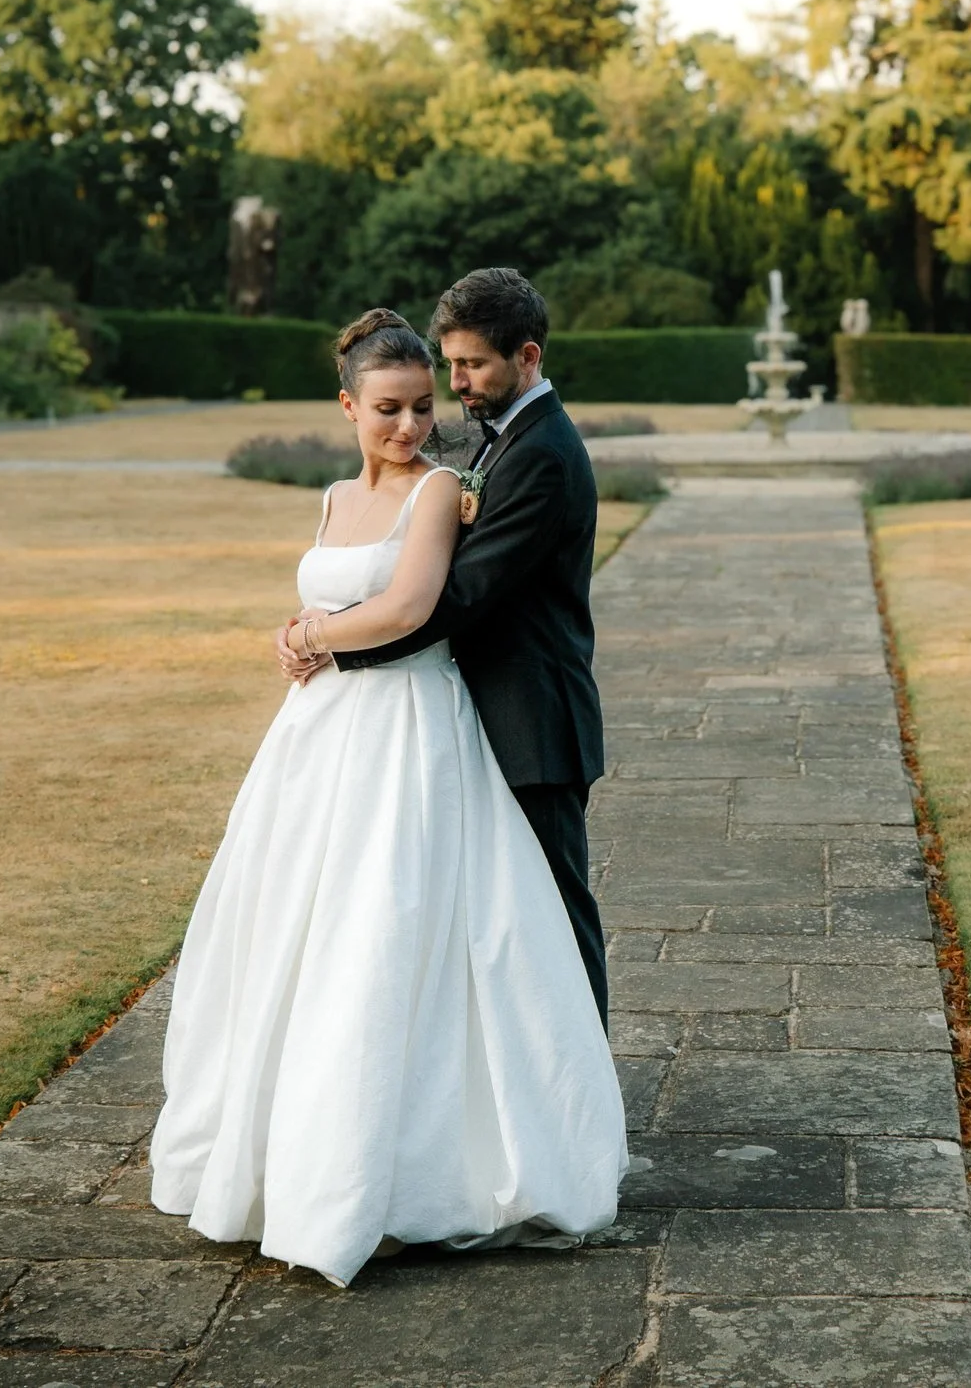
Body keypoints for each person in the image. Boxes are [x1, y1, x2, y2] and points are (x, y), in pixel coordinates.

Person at [148, 305, 624, 1288]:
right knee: (297, 930)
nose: (408, 427)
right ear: (348, 406)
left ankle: (415, 1169)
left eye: (420, 406)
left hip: (411, 733)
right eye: (387, 410)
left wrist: (315, 635)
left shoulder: (446, 486)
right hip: (319, 741)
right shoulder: (330, 497)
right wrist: (300, 630)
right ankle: (286, 1151)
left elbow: (412, 607)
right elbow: (344, 598)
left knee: (400, 931)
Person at [305, 267, 611, 1024]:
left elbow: (461, 595)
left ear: (528, 357)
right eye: (452, 365)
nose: (459, 381)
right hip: (486, 712)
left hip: (532, 722)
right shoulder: (506, 435)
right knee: (500, 923)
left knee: (554, 924)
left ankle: (581, 1104)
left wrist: (339, 650)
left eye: (473, 364)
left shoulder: (542, 453)